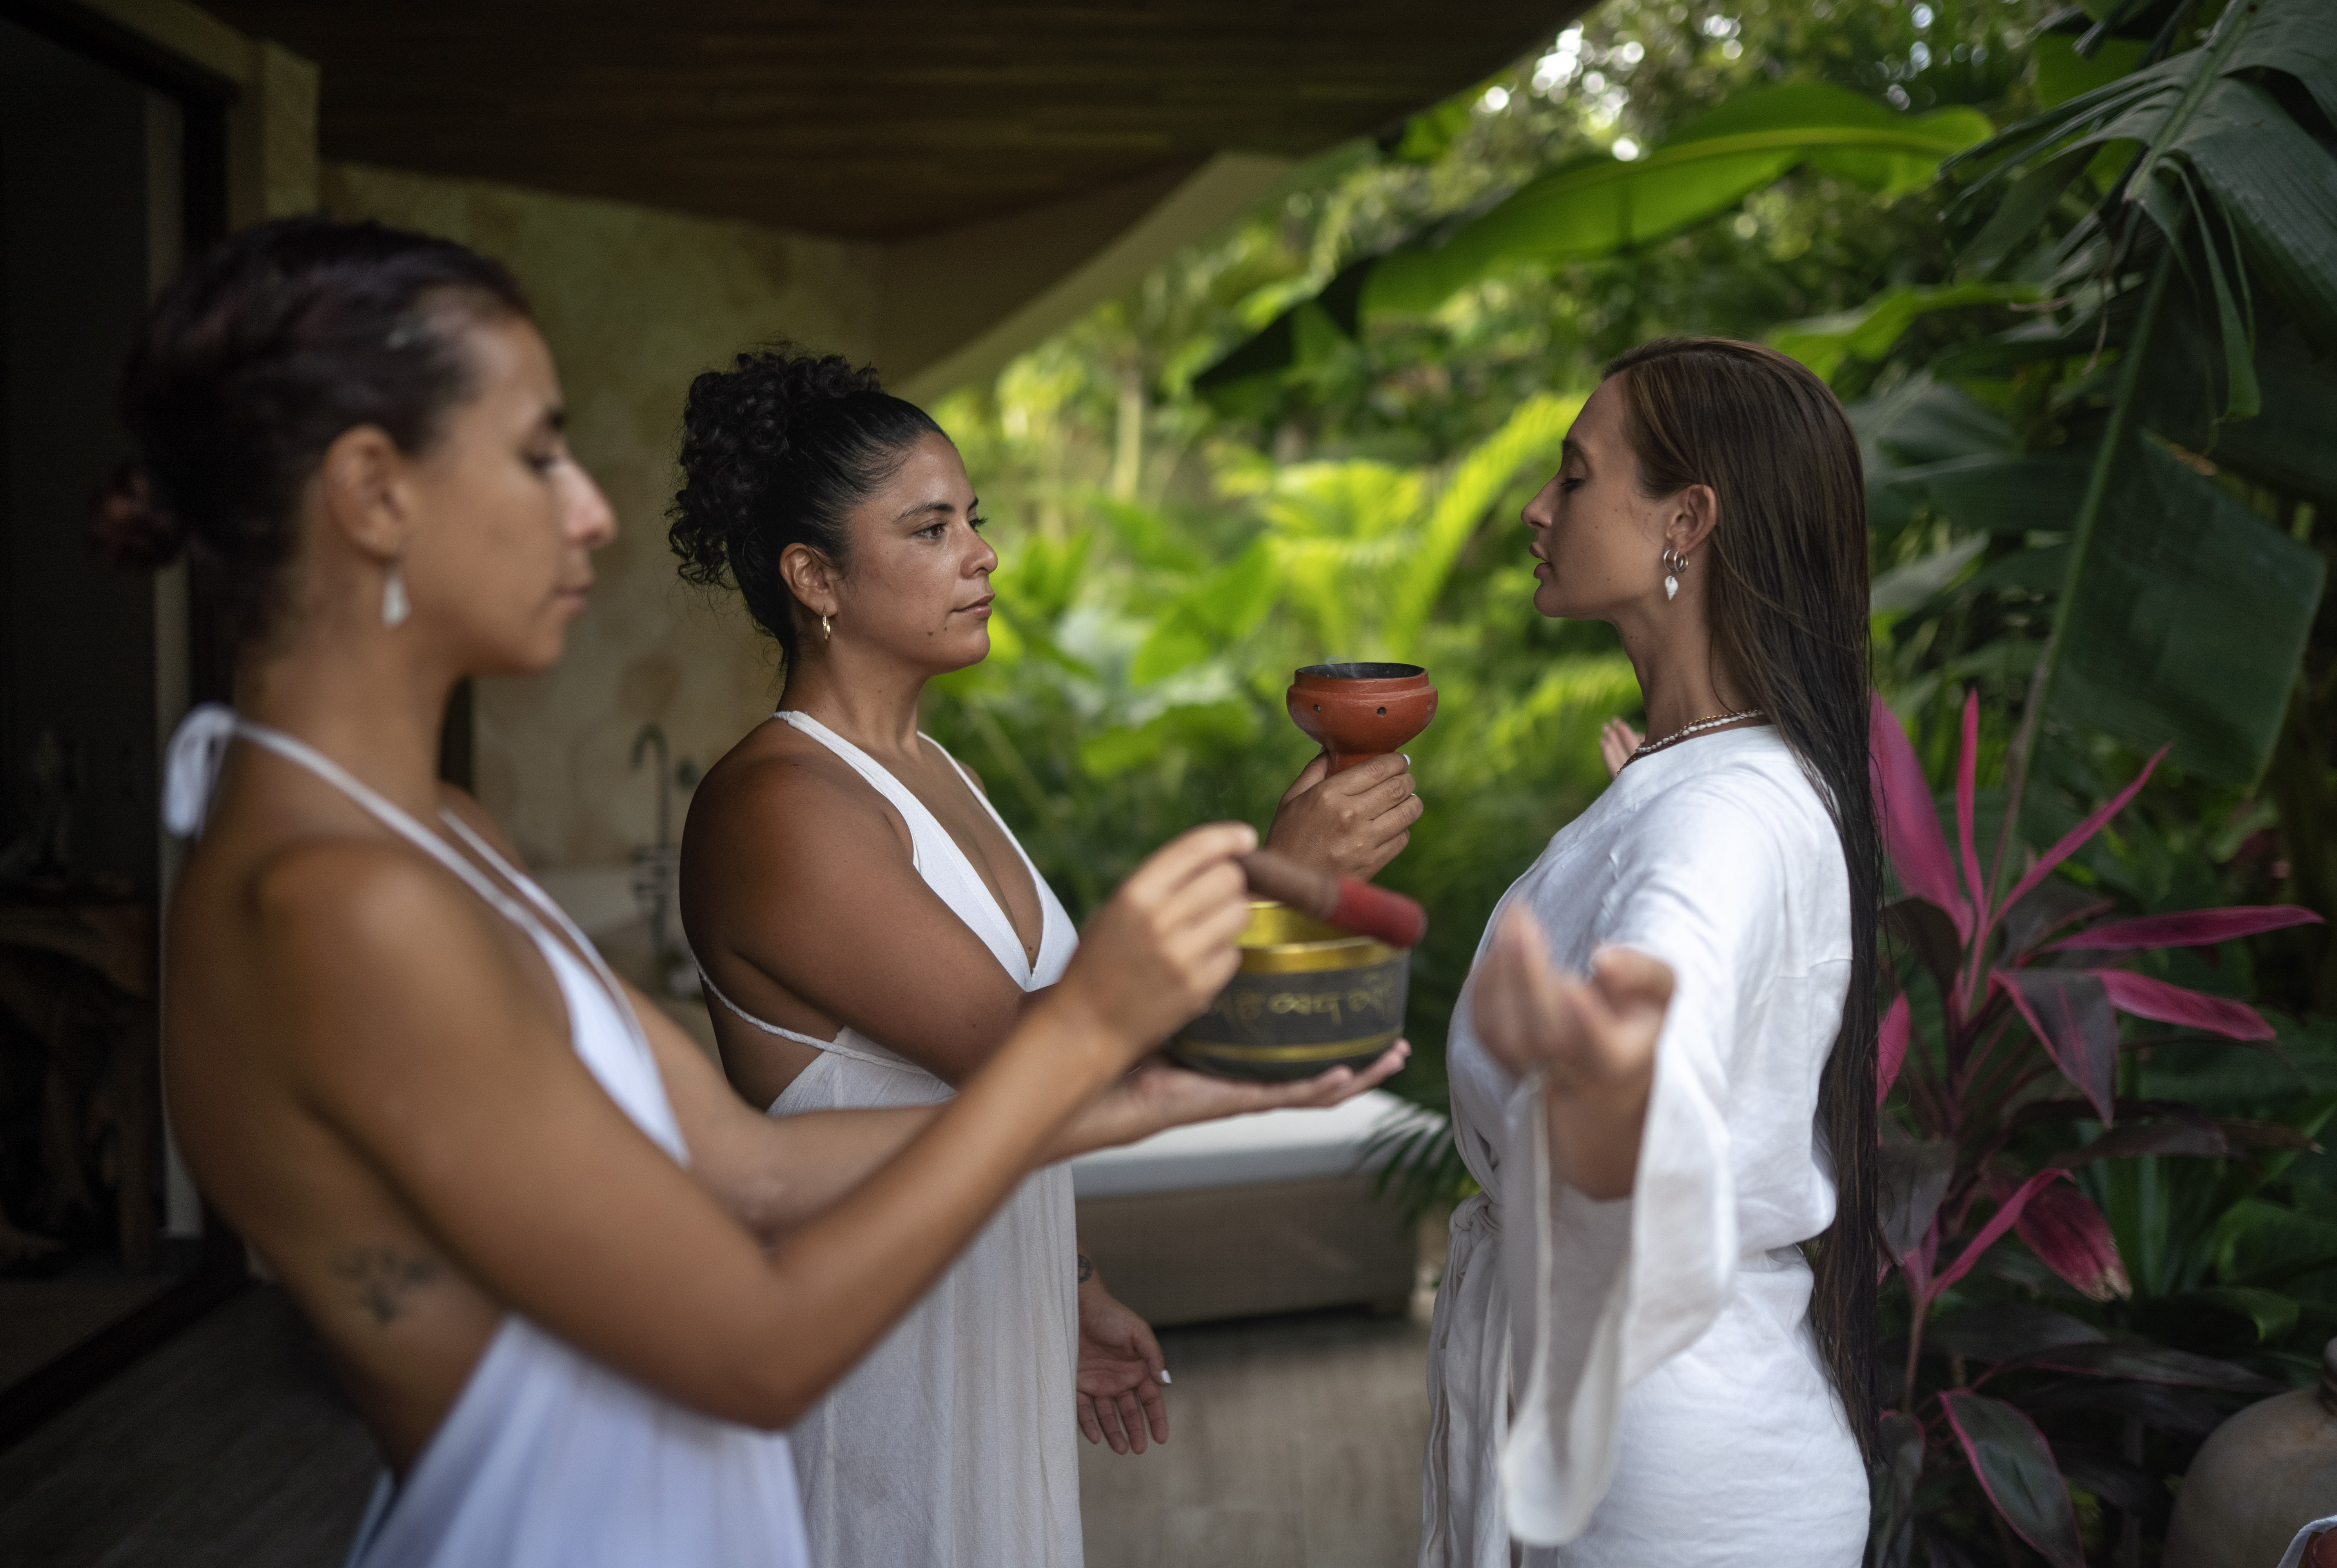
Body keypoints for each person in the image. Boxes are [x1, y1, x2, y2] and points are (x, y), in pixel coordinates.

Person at [118, 216, 1391, 1568]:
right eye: (540, 453)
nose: (593, 510)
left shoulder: (435, 830)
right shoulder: (335, 896)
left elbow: (754, 1168)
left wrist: (1167, 1099)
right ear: (375, 493)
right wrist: (1117, 1019)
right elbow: (756, 1350)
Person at [665, 346, 1418, 1568]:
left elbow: (982, 1088)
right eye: (930, 528)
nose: (982, 553)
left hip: (987, 1321)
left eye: (975, 519)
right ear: (816, 578)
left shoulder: (934, 773)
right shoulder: (784, 806)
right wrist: (1278, 874)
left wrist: (1064, 1286)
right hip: (880, 1361)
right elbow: (1037, 1053)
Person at [1418, 338, 1880, 1565]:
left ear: (1688, 520)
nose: (1537, 507)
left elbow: (1659, 1067)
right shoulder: (1719, 783)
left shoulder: (1719, 814)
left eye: (1573, 477)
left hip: (1663, 1486)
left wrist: (1610, 1070)